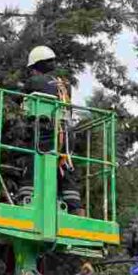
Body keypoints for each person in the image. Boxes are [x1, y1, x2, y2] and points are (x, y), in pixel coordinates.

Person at [19, 45, 84, 216]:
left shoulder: (34, 82)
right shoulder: (64, 85)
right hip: (67, 132)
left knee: (33, 162)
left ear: (37, 66)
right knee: (64, 165)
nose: (31, 73)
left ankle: (27, 199)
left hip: (47, 131)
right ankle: (75, 207)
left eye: (32, 69)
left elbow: (20, 101)